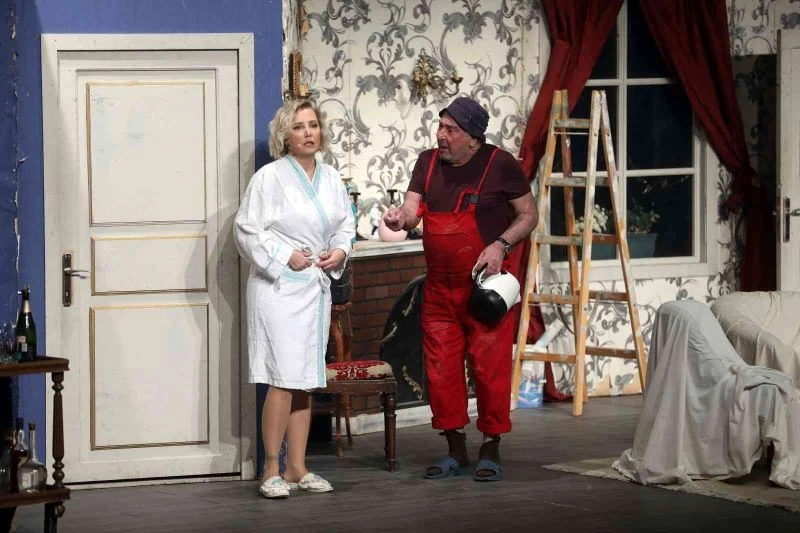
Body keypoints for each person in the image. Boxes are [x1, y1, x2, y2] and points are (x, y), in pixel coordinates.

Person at [383, 96, 538, 482]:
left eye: (450, 129)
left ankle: (490, 447)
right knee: (440, 372)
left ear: (472, 138)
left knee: (489, 370)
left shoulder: (500, 164)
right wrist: (399, 218)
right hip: (439, 290)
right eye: (440, 126)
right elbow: (412, 210)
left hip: (484, 290)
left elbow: (528, 215)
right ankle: (454, 449)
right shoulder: (427, 162)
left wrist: (501, 244)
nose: (440, 134)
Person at [234, 99, 355, 499]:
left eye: (313, 125)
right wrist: (286, 255)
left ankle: (297, 466)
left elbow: (345, 225)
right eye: (300, 126)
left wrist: (339, 251)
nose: (308, 133)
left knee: (305, 380)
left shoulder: (332, 178)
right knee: (283, 379)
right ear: (285, 135)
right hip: (278, 289)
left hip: (314, 289)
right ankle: (271, 468)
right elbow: (246, 230)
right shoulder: (269, 178)